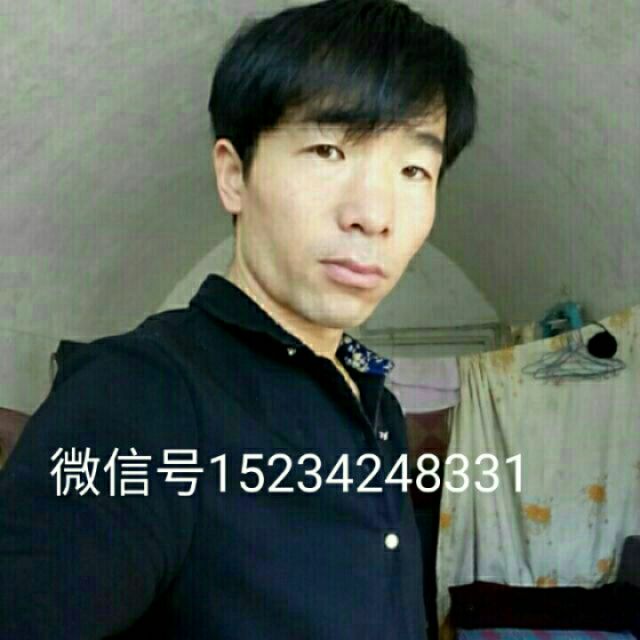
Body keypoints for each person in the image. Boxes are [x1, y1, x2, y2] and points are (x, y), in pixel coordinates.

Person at [0, 0, 476, 637]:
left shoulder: (375, 405)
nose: (374, 214)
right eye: (329, 150)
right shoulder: (139, 400)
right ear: (233, 175)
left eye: (414, 169)